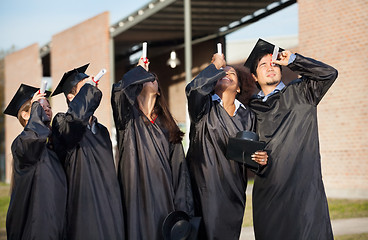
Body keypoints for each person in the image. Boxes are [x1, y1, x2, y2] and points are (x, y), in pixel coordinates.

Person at [245, 38, 338, 240]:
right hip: (269, 195)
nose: (270, 67)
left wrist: (295, 60)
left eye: (273, 63)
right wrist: (254, 160)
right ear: (254, 76)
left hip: (304, 192)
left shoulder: (302, 92)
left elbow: (329, 74)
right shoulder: (250, 111)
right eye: (263, 65)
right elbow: (245, 153)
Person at [185, 53, 268, 240]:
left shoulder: (248, 116)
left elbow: (249, 152)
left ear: (239, 88)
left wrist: (259, 158)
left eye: (232, 74)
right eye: (221, 73)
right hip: (204, 187)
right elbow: (194, 89)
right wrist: (215, 65)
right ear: (213, 82)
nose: (226, 74)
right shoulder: (203, 108)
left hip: (234, 189)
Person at [111, 57, 194, 240]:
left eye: (152, 77)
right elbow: (118, 92)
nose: (148, 79)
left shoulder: (168, 126)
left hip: (165, 201)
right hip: (134, 200)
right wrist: (138, 71)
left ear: (158, 91)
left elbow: (180, 173)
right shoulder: (127, 121)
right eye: (144, 77)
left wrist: (183, 213)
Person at [51, 64, 124, 239]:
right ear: (71, 96)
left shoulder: (103, 131)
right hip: (83, 213)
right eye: (85, 87)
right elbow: (75, 120)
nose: (93, 85)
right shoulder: (61, 124)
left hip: (109, 210)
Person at [4, 84, 67, 239]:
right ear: (26, 115)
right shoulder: (22, 144)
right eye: (40, 106)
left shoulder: (51, 146)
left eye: (48, 106)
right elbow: (32, 137)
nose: (46, 109)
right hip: (38, 228)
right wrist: (35, 113)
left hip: (59, 225)